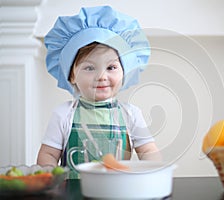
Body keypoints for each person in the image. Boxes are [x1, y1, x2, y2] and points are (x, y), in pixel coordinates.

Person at [37, 6, 161, 178]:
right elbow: (48, 154)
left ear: (124, 72)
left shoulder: (131, 114)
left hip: (118, 191)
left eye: (111, 67)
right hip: (74, 192)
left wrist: (151, 173)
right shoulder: (64, 114)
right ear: (71, 75)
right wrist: (50, 178)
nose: (101, 76)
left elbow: (148, 151)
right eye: (89, 68)